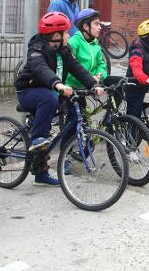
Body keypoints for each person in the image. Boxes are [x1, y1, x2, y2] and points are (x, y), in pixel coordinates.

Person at [15, 12, 104, 186]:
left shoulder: (63, 50)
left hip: (52, 90)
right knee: (49, 99)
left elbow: (77, 68)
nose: (68, 36)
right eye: (65, 33)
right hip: (29, 91)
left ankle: (41, 174)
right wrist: (57, 84)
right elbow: (40, 69)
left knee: (69, 102)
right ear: (55, 35)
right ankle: (38, 139)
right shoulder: (37, 48)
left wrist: (93, 85)